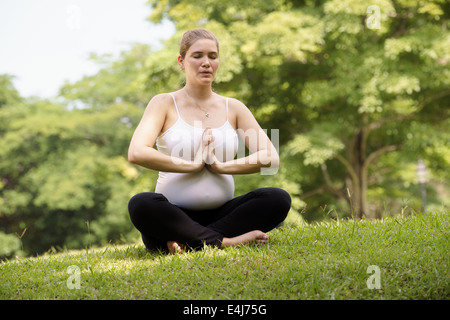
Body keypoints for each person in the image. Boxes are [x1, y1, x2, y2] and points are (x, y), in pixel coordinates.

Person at [127, 28, 291, 254]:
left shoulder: (233, 107)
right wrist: (192, 165)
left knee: (277, 198)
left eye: (212, 56)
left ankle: (186, 241)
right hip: (174, 214)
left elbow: (270, 157)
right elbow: (137, 152)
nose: (206, 62)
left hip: (224, 214)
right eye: (197, 56)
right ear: (181, 61)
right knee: (141, 204)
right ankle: (226, 242)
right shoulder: (164, 103)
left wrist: (219, 166)